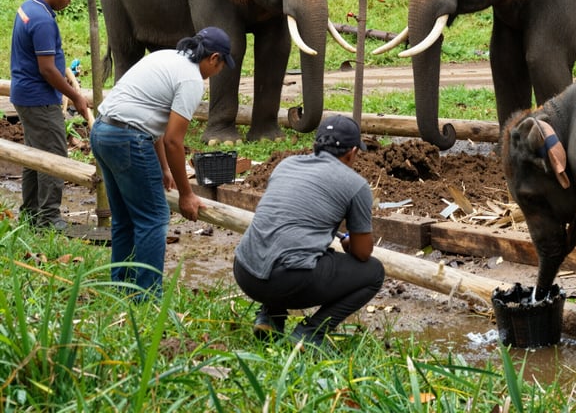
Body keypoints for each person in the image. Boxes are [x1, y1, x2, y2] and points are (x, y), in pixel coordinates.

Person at [90, 26, 234, 297]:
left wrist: (164, 167)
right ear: (214, 58)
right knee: (153, 218)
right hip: (128, 139)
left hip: (102, 132)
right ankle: (146, 296)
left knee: (124, 219)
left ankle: (122, 286)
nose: (219, 72)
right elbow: (172, 141)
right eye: (222, 65)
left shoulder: (165, 57)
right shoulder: (191, 79)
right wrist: (187, 194)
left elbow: (153, 117)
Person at [233, 114, 385, 348]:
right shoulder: (356, 185)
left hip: (245, 270)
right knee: (374, 273)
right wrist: (349, 245)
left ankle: (270, 318)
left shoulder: (286, 165)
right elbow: (363, 253)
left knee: (284, 240)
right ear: (353, 152)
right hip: (287, 280)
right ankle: (311, 333)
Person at [10, 0, 91, 230]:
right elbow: (46, 69)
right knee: (55, 157)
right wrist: (75, 95)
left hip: (25, 94)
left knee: (34, 157)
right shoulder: (43, 21)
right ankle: (49, 218)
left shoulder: (28, 7)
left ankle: (32, 213)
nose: (69, 3)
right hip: (39, 99)